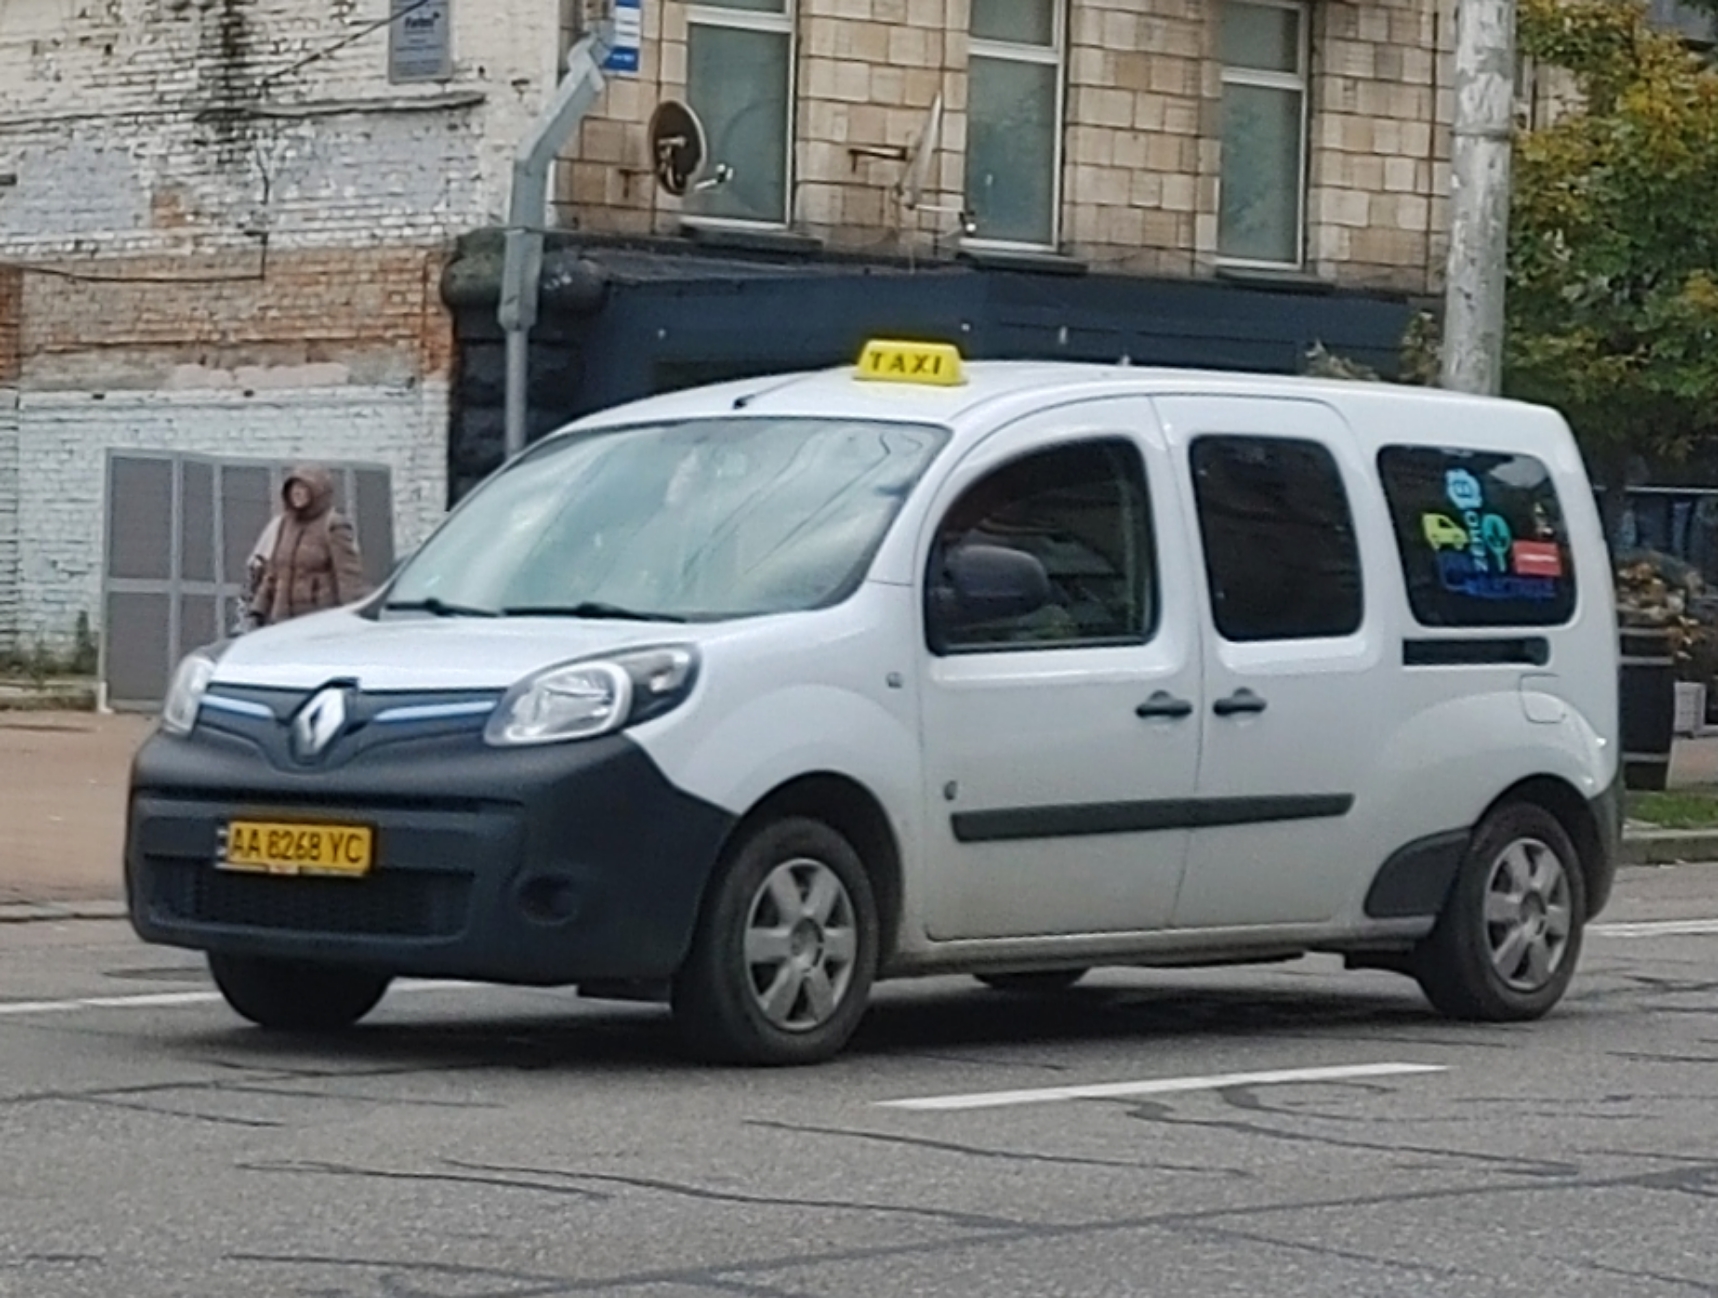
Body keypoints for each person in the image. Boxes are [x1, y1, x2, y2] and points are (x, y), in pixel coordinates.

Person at [244, 465, 369, 629]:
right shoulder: (284, 525)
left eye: (303, 487)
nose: (297, 492)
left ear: (317, 491)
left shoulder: (333, 525)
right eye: (294, 487)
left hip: (318, 620)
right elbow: (272, 573)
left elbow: (348, 577)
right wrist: (257, 610)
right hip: (282, 620)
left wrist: (353, 617)